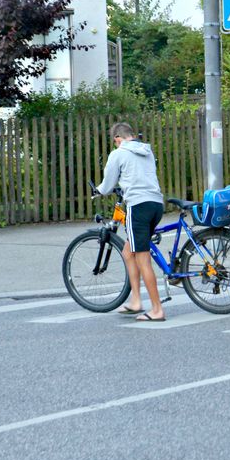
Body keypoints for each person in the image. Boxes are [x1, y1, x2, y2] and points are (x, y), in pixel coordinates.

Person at [95, 122, 166, 322]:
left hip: (138, 206)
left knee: (142, 258)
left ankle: (157, 309)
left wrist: (98, 190)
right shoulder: (147, 151)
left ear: (117, 138)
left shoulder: (117, 154)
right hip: (156, 204)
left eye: (114, 141)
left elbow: (108, 184)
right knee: (129, 251)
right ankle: (135, 301)